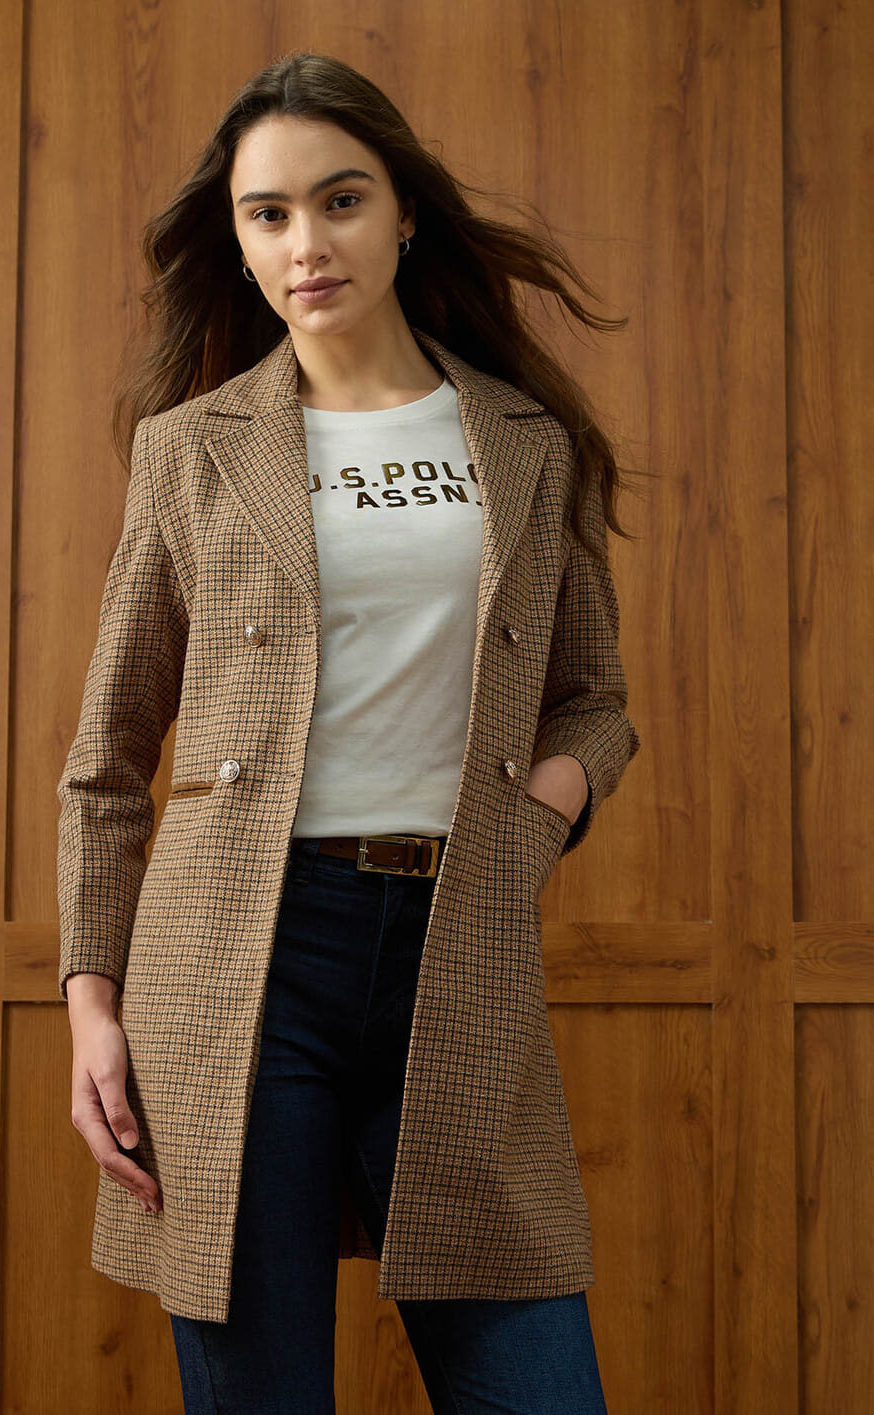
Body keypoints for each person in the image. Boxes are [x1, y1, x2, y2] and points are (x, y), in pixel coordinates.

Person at [59, 49, 642, 1415]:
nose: (305, 244)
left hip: (461, 944)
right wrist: (92, 1003)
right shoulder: (193, 451)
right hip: (238, 963)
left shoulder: (524, 440)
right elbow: (108, 756)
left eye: (340, 200)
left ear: (405, 212)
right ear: (238, 239)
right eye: (267, 214)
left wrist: (534, 817)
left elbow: (594, 697)